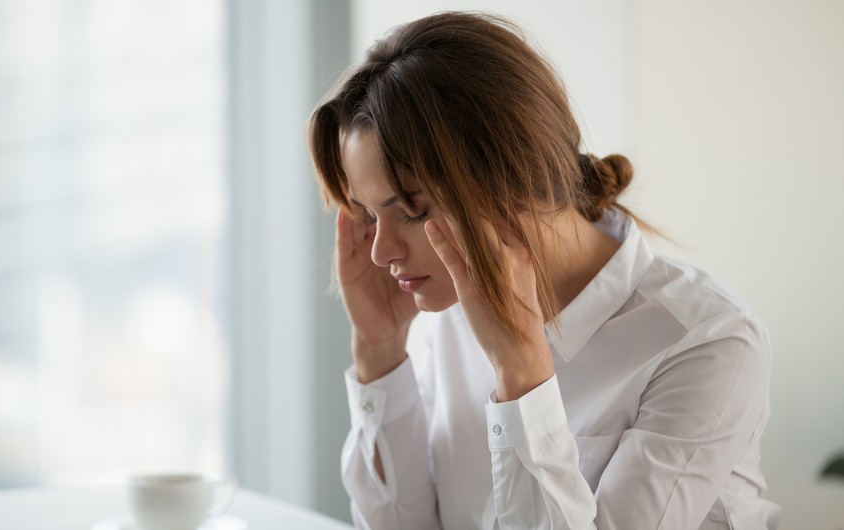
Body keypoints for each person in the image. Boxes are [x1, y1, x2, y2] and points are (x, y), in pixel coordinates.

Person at [307, 11, 779, 530]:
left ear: (515, 175)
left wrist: (522, 374)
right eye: (370, 215)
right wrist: (379, 349)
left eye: (413, 210)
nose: (380, 252)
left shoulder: (709, 342)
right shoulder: (448, 310)